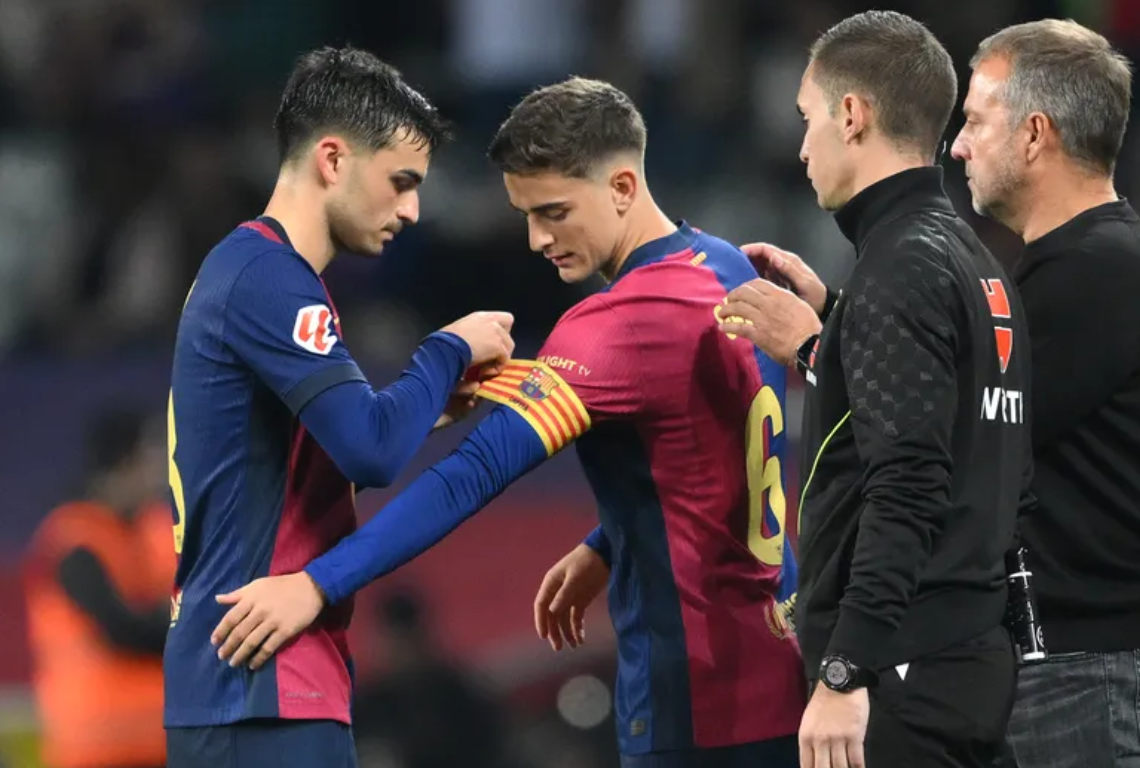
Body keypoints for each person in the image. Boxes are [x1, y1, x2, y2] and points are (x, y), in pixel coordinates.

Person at [208, 77, 806, 768]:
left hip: (699, 703)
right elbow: (707, 457)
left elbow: (474, 472)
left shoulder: (615, 327)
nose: (536, 239)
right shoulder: (724, 264)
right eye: (525, 213)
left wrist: (316, 584)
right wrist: (611, 540)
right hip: (779, 667)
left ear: (621, 186)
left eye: (553, 212)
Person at [162, 46, 516, 768]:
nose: (412, 210)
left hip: (255, 686)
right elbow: (372, 450)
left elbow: (292, 466)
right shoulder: (269, 278)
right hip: (258, 684)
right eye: (401, 182)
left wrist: (424, 411)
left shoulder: (253, 271)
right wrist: (446, 349)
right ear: (332, 159)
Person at [717, 10, 1033, 768]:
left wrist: (845, 667)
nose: (802, 147)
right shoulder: (974, 264)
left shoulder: (901, 267)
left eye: (808, 118)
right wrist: (835, 325)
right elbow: (951, 432)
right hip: (963, 657)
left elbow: (909, 482)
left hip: (902, 671)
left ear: (852, 115)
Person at [950, 19, 1140, 768]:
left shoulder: (1095, 273)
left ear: (1034, 134)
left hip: (1086, 680)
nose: (958, 146)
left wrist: (815, 348)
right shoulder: (1089, 264)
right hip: (1076, 673)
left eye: (974, 121)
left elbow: (961, 428)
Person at [24, 407, 173, 768]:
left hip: (160, 740)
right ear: (123, 463)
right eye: (153, 454)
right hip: (97, 747)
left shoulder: (154, 529)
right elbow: (120, 628)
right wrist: (198, 629)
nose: (162, 469)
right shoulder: (74, 541)